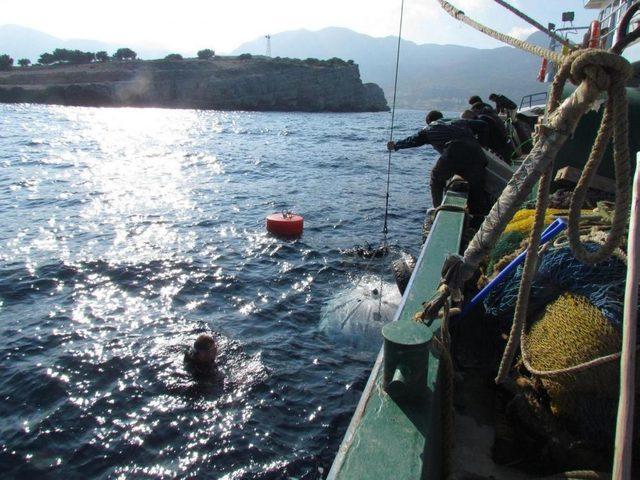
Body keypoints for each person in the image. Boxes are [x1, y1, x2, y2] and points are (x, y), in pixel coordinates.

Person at [387, 110, 489, 216]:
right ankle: (478, 219)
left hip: (454, 151)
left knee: (436, 177)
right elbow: (483, 125)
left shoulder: (430, 127)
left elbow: (412, 141)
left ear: (429, 121)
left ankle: (437, 208)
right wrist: (482, 144)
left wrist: (395, 145)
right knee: (477, 188)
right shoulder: (459, 121)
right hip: (477, 154)